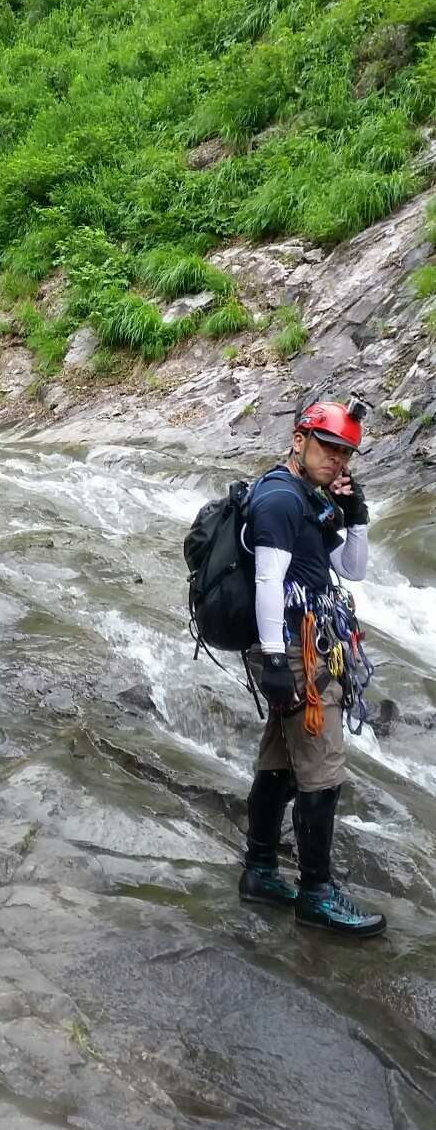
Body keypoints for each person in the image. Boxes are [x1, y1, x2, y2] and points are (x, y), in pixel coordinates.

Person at [239, 399, 385, 937]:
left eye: (345, 454)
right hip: (297, 651)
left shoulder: (310, 496)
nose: (337, 461)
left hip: (306, 643)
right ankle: (316, 895)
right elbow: (267, 581)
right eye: (328, 448)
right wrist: (276, 660)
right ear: (299, 441)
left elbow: (351, 569)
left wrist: (356, 516)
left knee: (280, 761)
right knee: (322, 771)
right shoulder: (281, 499)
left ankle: (260, 871)